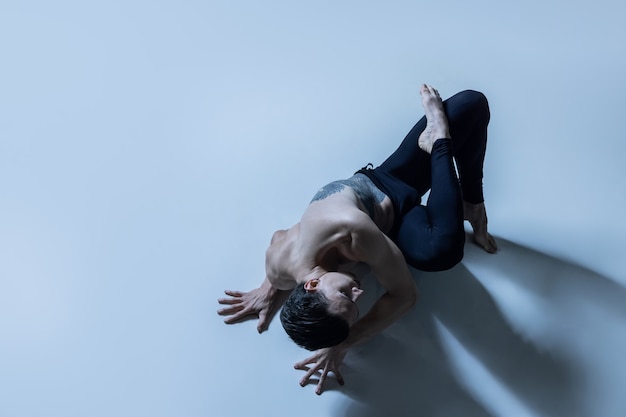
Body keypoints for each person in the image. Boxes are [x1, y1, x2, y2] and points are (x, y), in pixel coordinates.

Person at [217, 84, 497, 395]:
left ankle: (440, 142)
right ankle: (467, 198)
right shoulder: (279, 268)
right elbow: (279, 239)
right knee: (438, 251)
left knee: (472, 105)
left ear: (311, 285)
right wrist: (268, 287)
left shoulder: (352, 231)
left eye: (345, 295)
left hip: (392, 182)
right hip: (391, 219)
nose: (359, 291)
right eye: (356, 302)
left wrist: (347, 342)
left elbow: (405, 295)